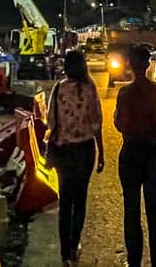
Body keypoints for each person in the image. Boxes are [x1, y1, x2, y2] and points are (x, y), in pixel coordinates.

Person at [113, 44, 156, 267]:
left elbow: (119, 123)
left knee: (131, 212)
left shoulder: (124, 93)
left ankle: (134, 261)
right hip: (155, 154)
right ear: (149, 64)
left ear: (129, 65)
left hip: (131, 153)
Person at [47, 48, 104, 266]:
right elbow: (96, 123)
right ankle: (73, 247)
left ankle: (64, 253)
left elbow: (51, 121)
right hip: (84, 151)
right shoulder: (90, 89)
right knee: (80, 200)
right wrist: (101, 154)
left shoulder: (58, 88)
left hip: (63, 152)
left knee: (65, 201)